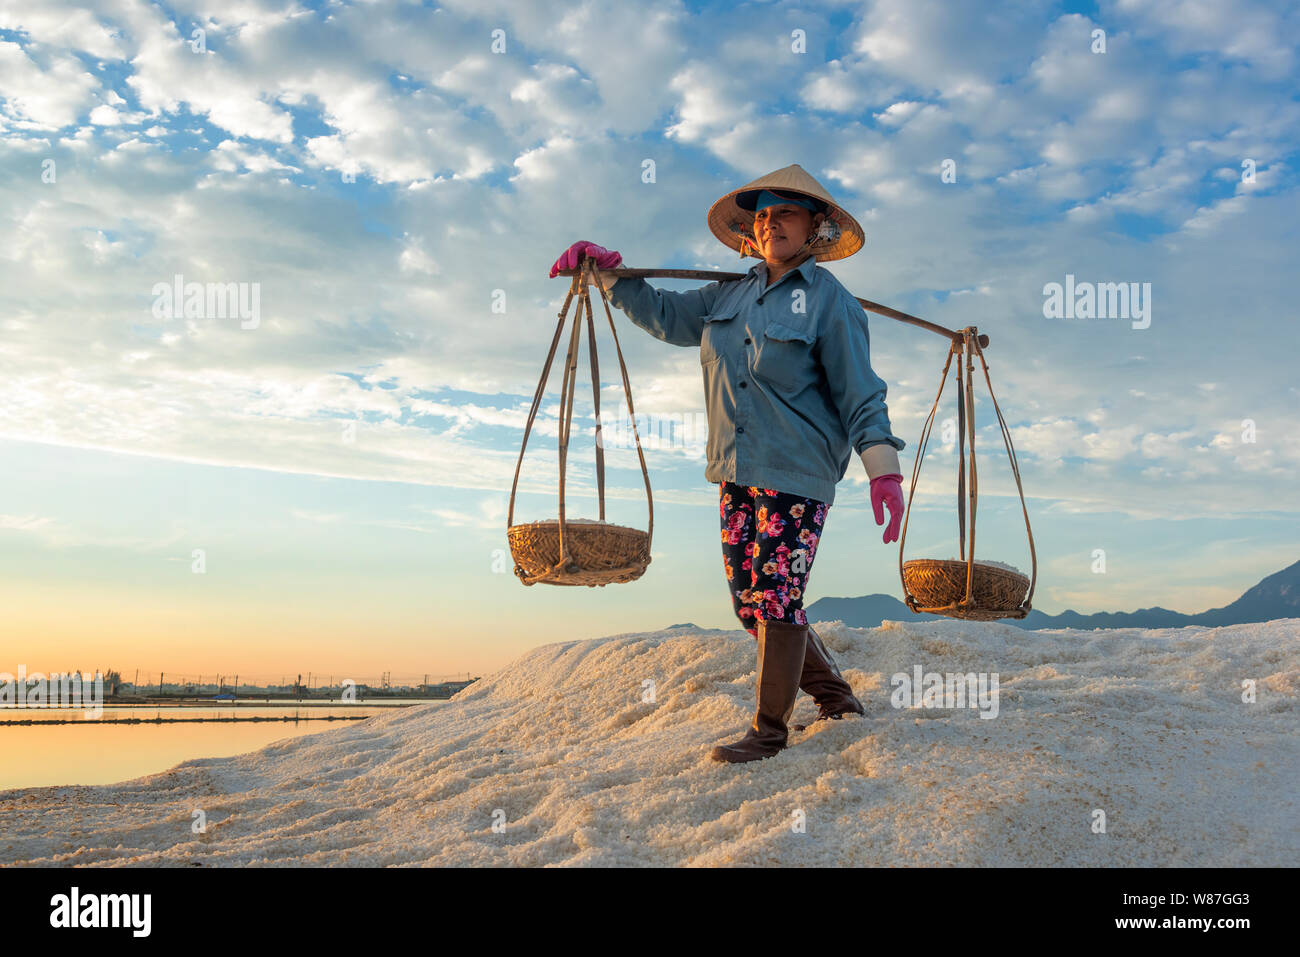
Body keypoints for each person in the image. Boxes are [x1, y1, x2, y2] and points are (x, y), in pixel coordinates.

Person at [549, 164, 906, 764]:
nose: (771, 224)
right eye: (762, 215)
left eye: (785, 213)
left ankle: (769, 731)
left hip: (797, 471)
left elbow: (861, 393)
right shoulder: (728, 295)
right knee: (751, 603)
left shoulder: (831, 304)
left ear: (815, 226)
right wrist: (611, 274)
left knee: (776, 596)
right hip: (736, 470)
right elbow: (665, 315)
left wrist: (885, 471)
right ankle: (836, 695)